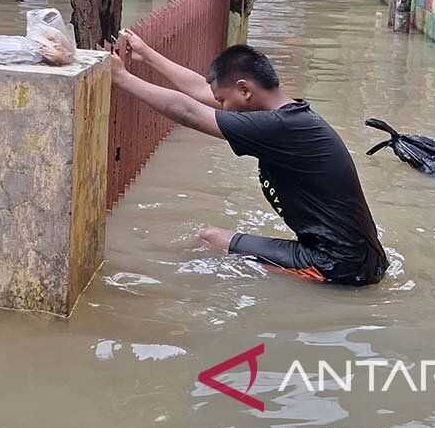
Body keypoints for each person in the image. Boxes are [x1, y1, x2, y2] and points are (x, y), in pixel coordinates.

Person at [110, 35, 388, 286]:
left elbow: (189, 112)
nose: (222, 107)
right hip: (360, 258)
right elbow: (199, 90)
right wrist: (147, 54)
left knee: (210, 239)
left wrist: (123, 79)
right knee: (219, 240)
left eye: (224, 101)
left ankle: (151, 265)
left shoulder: (278, 127)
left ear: (244, 90)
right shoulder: (289, 117)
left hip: (339, 266)